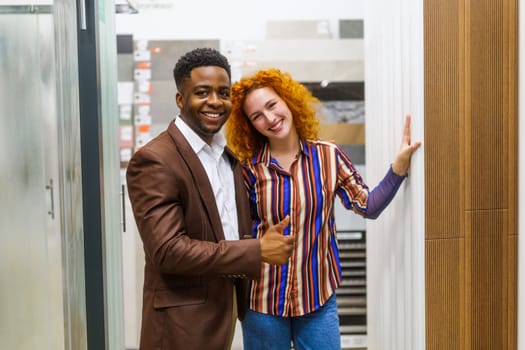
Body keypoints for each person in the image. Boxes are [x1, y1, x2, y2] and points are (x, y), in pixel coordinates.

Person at [224, 68, 421, 350]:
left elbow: (368, 206)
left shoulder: (328, 156)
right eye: (256, 116)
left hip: (316, 298)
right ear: (250, 125)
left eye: (272, 105)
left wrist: (399, 168)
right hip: (262, 303)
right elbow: (235, 236)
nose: (269, 118)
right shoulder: (248, 172)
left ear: (287, 101)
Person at [126, 49, 295, 350]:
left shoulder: (227, 158)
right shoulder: (154, 159)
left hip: (225, 313)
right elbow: (168, 251)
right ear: (180, 99)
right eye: (202, 92)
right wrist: (257, 250)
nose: (215, 101)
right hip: (182, 325)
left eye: (223, 93)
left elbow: (224, 229)